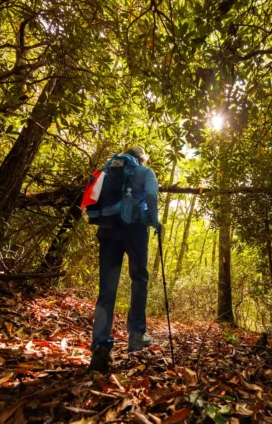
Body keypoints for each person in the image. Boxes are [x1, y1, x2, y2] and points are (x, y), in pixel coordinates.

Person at [88, 146, 161, 373]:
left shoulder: (107, 171)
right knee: (139, 278)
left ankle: (100, 346)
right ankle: (136, 337)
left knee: (107, 288)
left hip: (107, 229)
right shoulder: (145, 171)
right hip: (135, 231)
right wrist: (155, 220)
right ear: (141, 159)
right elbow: (150, 195)